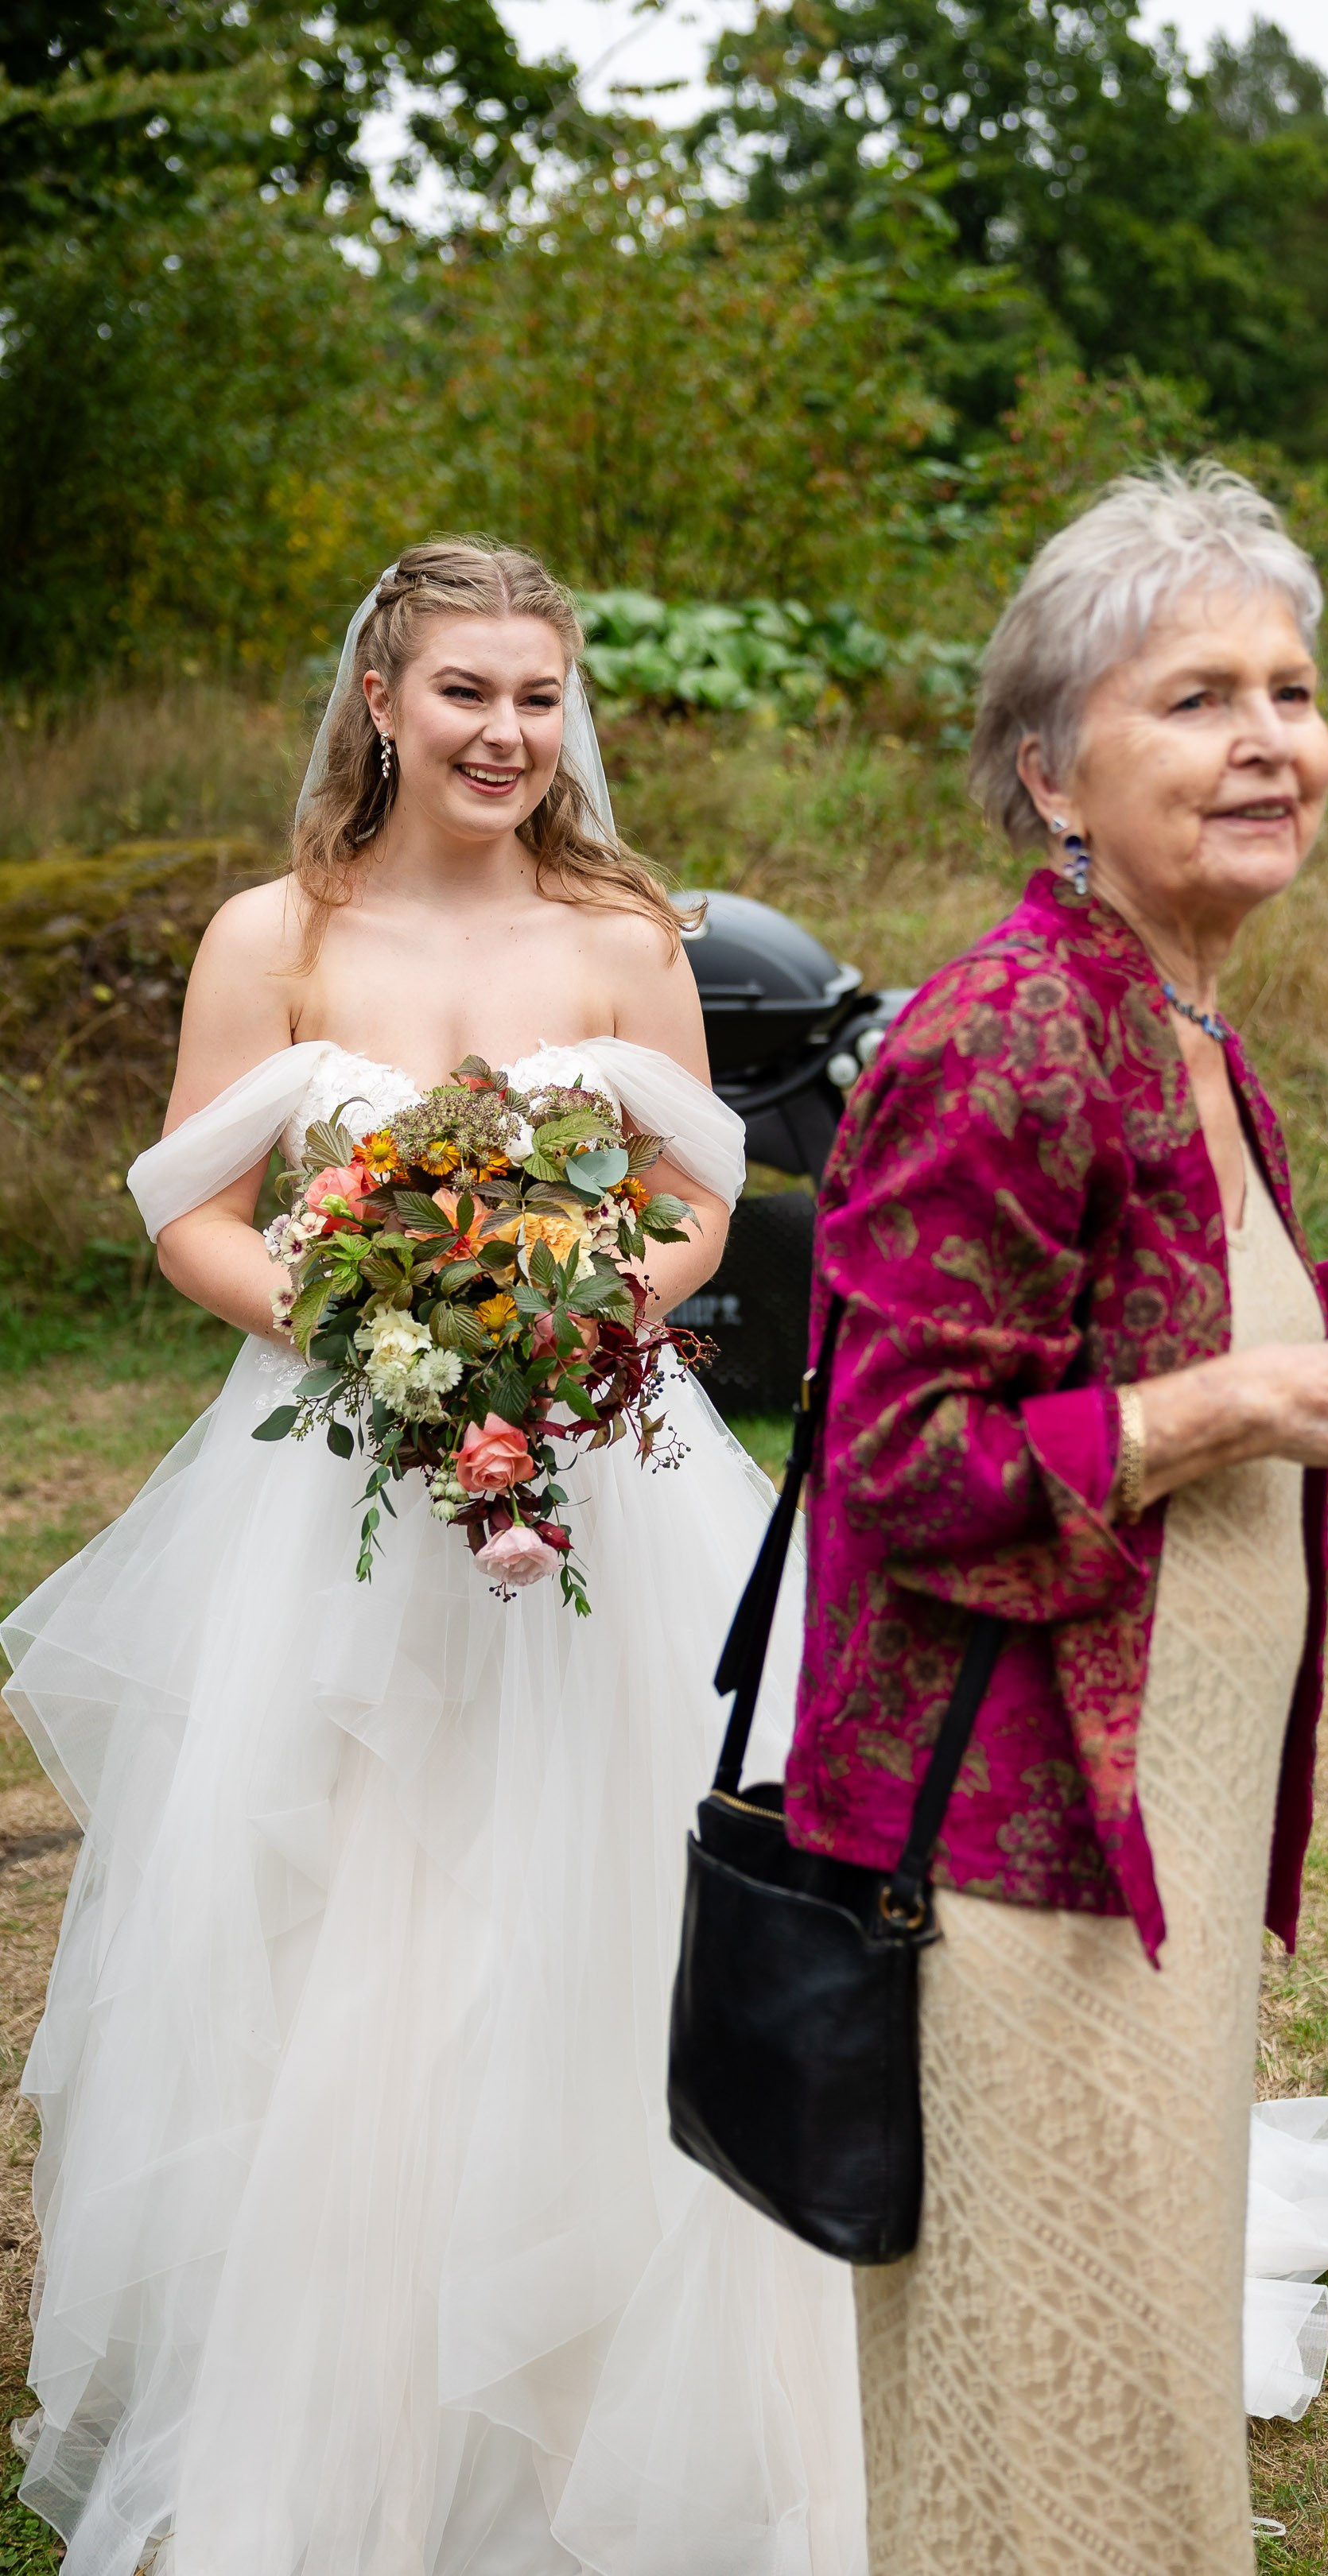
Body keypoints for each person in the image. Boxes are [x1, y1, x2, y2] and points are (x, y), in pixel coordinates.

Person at [0, 541, 865, 2576]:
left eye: (540, 696)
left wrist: (578, 1325)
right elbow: (192, 1209)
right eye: (467, 691)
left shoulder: (630, 934)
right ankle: (344, 2392)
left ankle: (636, 2370)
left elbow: (695, 1204)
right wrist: (366, 1329)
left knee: (619, 1876)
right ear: (381, 701)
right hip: (341, 1483)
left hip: (603, 1467)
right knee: (350, 1894)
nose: (507, 733)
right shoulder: (274, 934)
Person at [782, 464, 1328, 2576]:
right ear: (1051, 773)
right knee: (1059, 2413)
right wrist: (1232, 1407)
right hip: (1015, 1855)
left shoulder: (1175, 1013)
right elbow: (900, 1461)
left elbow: (1202, 1334)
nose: (1267, 741)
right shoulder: (1014, 1031)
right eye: (1194, 698)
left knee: (1124, 2368)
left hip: (1155, 1831)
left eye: (1289, 692)